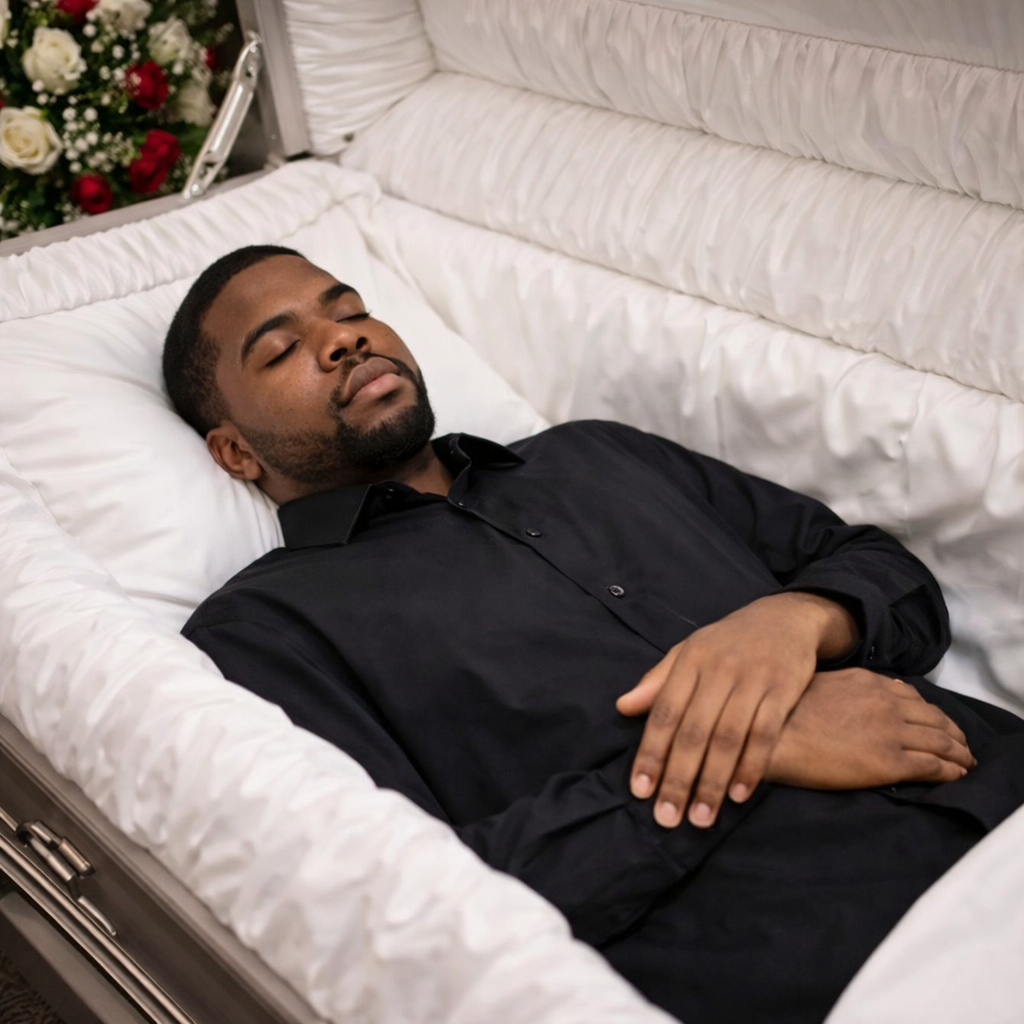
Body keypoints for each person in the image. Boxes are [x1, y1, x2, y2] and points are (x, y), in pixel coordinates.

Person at [164, 245, 1024, 1024]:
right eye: (281, 349)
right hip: (832, 953)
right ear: (237, 454)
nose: (343, 340)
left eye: (349, 310)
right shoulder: (262, 631)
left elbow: (892, 577)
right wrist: (753, 746)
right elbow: (420, 899)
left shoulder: (596, 453)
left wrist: (794, 621)